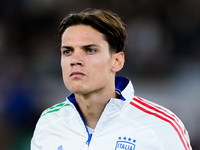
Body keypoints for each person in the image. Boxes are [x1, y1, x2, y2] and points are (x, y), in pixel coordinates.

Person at [31, 8, 192, 150]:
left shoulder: (161, 126)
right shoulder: (48, 124)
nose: (75, 60)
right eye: (67, 51)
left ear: (117, 61)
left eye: (90, 50)